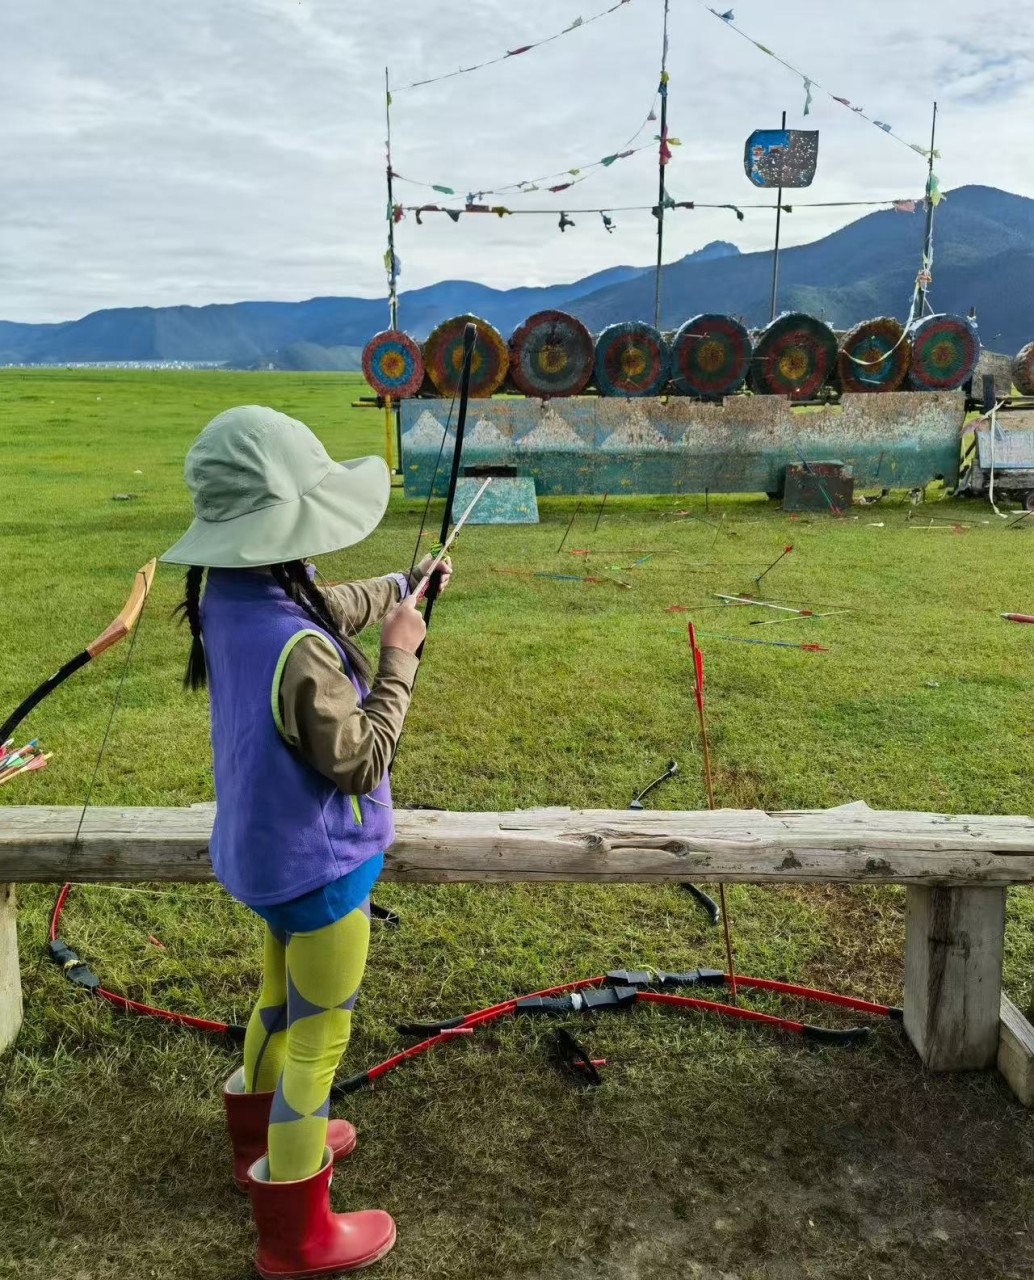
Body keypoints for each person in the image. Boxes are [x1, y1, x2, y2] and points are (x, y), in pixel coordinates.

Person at [162, 404, 448, 1277]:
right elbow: (360, 759)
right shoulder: (300, 649)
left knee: (280, 1004)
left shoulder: (231, 596)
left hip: (261, 861)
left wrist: (403, 591)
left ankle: (262, 1134)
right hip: (320, 874)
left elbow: (325, 605)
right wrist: (401, 656)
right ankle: (296, 1230)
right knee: (320, 1034)